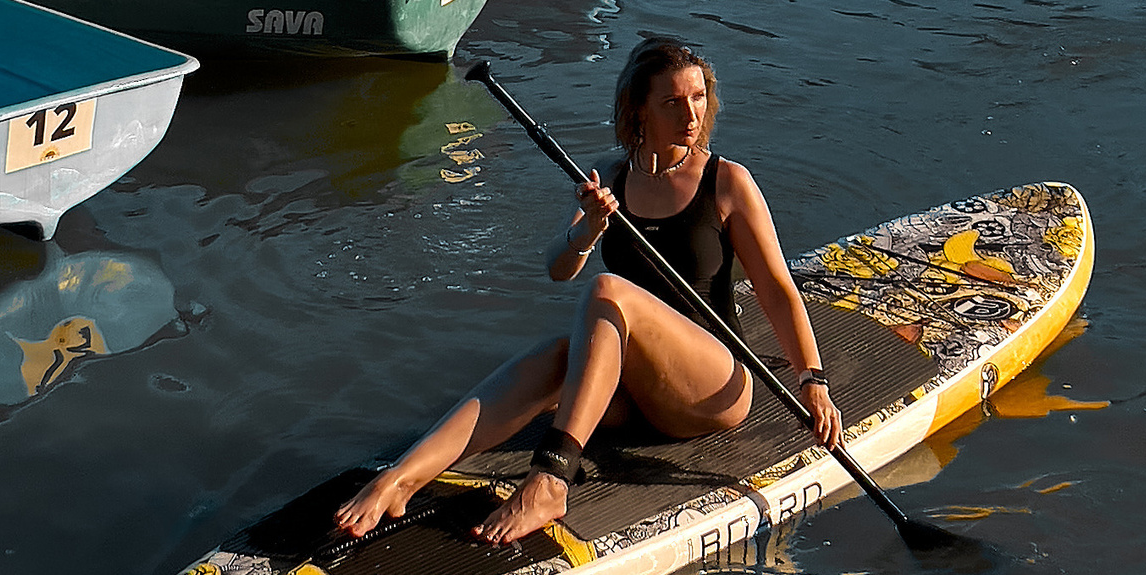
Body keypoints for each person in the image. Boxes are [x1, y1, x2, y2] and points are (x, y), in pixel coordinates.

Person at [336, 37, 836, 546]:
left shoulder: (727, 182)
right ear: (637, 110)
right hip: (632, 397)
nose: (691, 114)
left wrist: (812, 378)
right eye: (672, 102)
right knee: (557, 355)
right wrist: (590, 227)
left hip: (711, 388)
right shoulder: (610, 177)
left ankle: (551, 480)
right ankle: (402, 478)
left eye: (699, 97)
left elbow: (777, 290)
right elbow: (559, 267)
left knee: (608, 290)